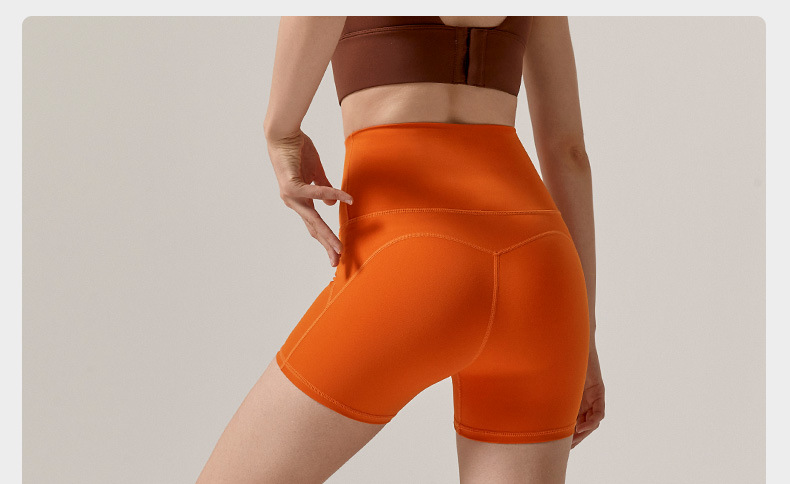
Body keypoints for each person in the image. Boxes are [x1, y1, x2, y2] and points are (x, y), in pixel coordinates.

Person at [196, 15, 605, 484]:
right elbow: (568, 151)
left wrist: (280, 130)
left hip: (414, 256)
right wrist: (585, 341)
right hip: (542, 271)